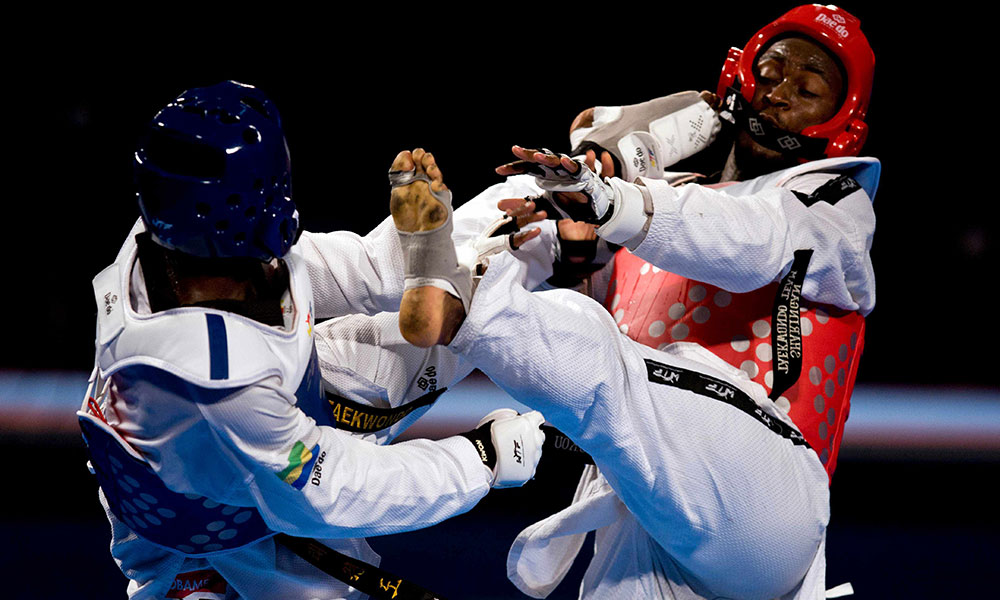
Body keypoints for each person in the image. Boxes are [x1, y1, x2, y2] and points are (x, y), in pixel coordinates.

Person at [389, 4, 879, 598]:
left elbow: (750, 241)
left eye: (807, 88)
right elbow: (605, 316)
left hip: (764, 490)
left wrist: (612, 202)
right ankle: (407, 293)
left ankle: (461, 309)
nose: (778, 95)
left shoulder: (835, 204)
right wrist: (574, 251)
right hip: (650, 505)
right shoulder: (664, 204)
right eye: (770, 73)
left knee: (594, 352)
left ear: (841, 119)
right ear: (738, 74)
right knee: (541, 262)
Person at [78, 80, 545, 599]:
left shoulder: (175, 242)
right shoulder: (221, 383)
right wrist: (479, 460)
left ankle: (533, 226)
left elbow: (323, 275)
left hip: (260, 441)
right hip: (203, 530)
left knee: (457, 309)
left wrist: (410, 247)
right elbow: (342, 488)